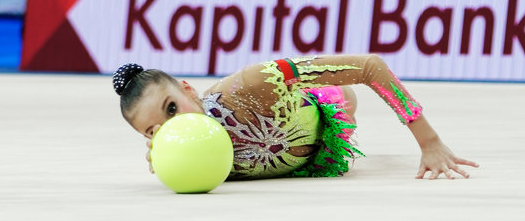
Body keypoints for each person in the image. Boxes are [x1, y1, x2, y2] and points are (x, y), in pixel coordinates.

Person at [112, 55, 476, 180]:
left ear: (189, 90)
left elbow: (370, 67)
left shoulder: (250, 85)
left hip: (321, 110)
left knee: (345, 98)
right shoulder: (178, 154)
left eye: (172, 108)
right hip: (293, 154)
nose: (173, 128)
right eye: (155, 129)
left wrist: (429, 142)